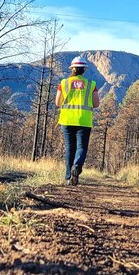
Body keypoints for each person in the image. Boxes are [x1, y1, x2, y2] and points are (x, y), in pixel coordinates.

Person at [55, 56, 100, 185]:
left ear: (72, 69)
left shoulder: (63, 83)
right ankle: (77, 166)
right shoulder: (91, 85)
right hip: (84, 120)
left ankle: (69, 177)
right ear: (84, 70)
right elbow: (96, 103)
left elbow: (58, 102)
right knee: (81, 147)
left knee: (70, 148)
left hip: (67, 120)